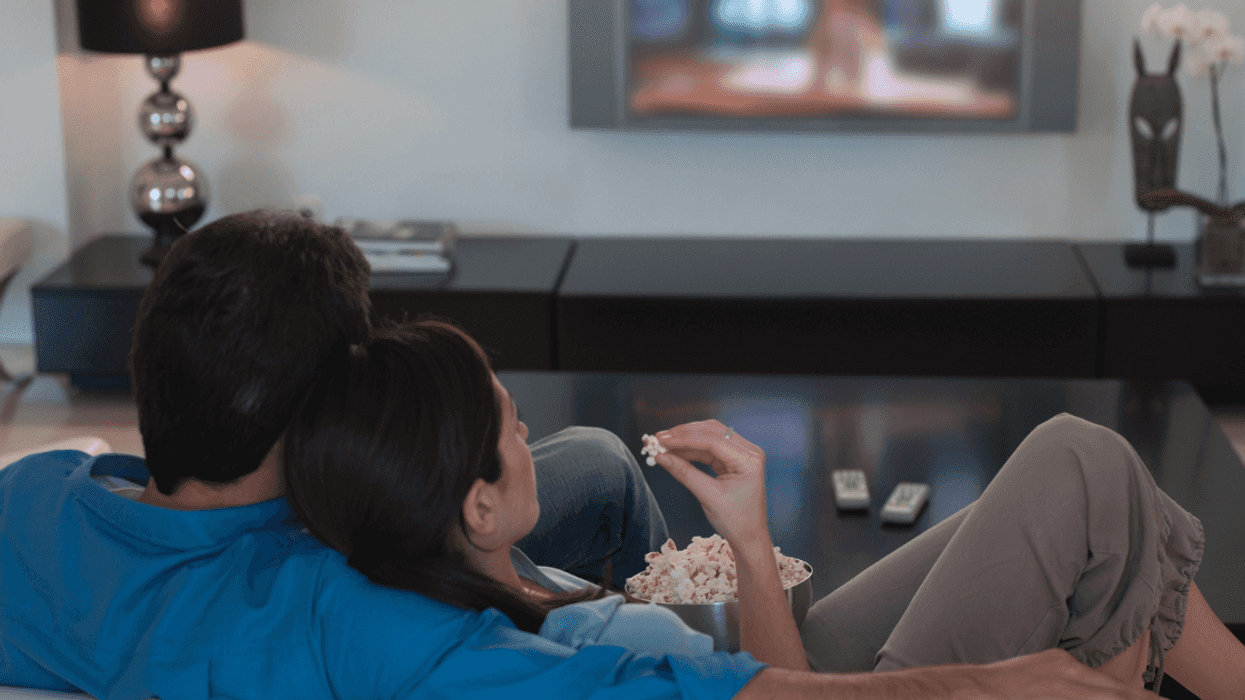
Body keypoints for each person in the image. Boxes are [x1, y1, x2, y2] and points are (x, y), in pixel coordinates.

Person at [0, 210, 1159, 699]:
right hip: (487, 616)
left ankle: (652, 581)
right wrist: (1001, 680)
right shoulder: (348, 614)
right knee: (1084, 471)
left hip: (233, 553)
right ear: (322, 424)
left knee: (598, 464)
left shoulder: (36, 495)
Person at [281, 317, 1239, 699]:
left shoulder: (454, 577)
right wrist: (991, 683)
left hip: (785, 676)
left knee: (1106, 488)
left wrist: (745, 536)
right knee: (1082, 463)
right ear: (478, 508)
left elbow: (767, 675)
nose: (524, 425)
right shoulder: (573, 660)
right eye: (506, 423)